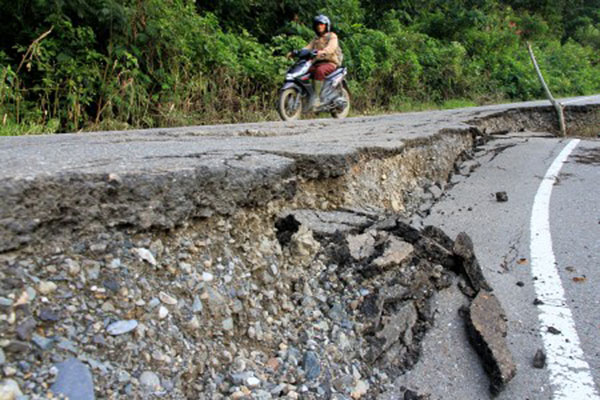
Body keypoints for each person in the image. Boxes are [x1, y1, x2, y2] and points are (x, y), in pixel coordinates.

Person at [303, 15, 342, 108]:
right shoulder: (315, 39)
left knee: (319, 71)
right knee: (304, 72)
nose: (319, 26)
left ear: (326, 25)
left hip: (330, 63)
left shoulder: (332, 36)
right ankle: (308, 96)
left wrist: (323, 52)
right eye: (317, 24)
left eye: (322, 24)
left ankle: (317, 98)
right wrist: (297, 52)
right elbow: (307, 48)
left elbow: (331, 48)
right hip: (317, 63)